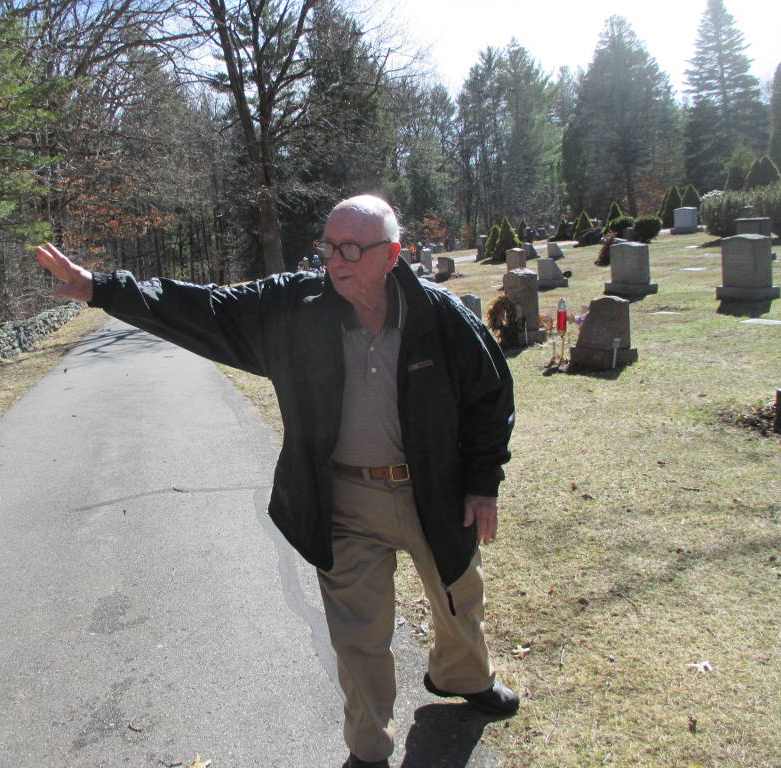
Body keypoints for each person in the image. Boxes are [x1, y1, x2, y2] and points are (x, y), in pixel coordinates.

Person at [35, 195, 517, 768]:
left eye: (351, 249)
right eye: (328, 246)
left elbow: (491, 395)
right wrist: (102, 288)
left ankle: (463, 677)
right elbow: (205, 307)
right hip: (341, 498)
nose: (335, 260)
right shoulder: (296, 306)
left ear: (391, 254)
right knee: (357, 635)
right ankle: (368, 747)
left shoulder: (437, 314)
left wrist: (482, 481)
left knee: (459, 596)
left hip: (431, 489)